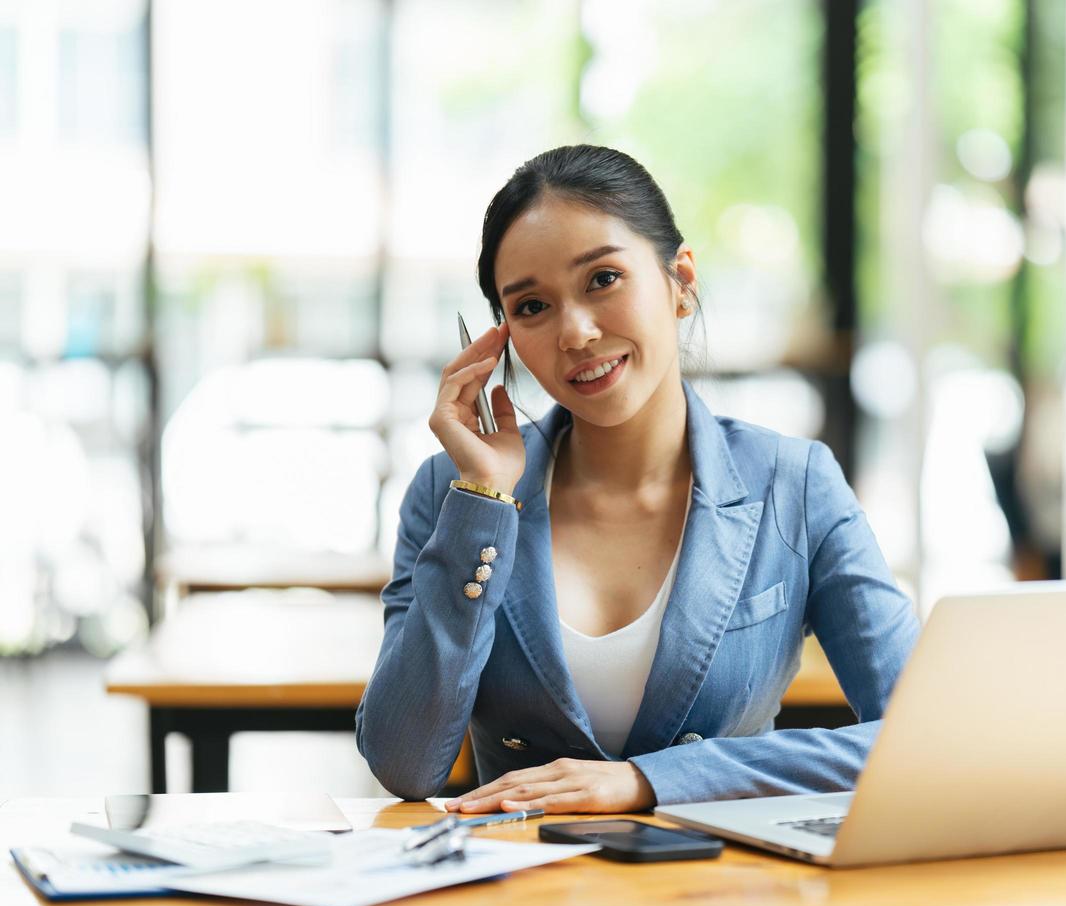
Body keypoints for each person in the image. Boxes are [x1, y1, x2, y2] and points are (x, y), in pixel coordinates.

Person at [355, 144, 920, 814]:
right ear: (502, 338)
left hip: (725, 891)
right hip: (517, 900)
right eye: (532, 306)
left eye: (602, 280)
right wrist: (484, 501)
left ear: (681, 281)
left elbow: (921, 739)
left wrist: (654, 780)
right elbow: (404, 762)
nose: (576, 332)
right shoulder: (454, 491)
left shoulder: (793, 484)